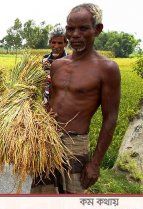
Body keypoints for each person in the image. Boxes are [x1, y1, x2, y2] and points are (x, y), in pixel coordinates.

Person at [31, 3, 121, 194]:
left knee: (72, 207)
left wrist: (95, 163)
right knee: (41, 202)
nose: (75, 35)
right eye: (70, 29)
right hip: (47, 140)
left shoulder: (107, 68)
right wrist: (33, 132)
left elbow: (111, 118)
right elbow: (50, 106)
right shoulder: (58, 65)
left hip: (75, 145)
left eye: (83, 28)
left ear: (97, 29)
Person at [42, 26, 69, 104]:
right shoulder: (45, 59)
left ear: (66, 44)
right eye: (53, 42)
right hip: (45, 101)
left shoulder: (71, 61)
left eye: (60, 43)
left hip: (63, 103)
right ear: (50, 43)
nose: (56, 46)